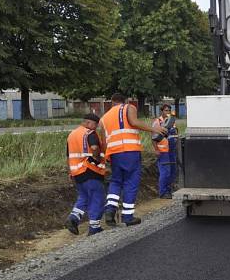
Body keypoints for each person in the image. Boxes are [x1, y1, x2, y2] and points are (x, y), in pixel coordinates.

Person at [99, 94, 167, 227]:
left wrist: (107, 157)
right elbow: (134, 122)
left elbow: (103, 140)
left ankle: (109, 210)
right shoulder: (128, 107)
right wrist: (155, 129)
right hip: (129, 150)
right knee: (131, 182)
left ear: (112, 102)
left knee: (116, 181)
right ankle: (127, 217)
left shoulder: (104, 118)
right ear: (124, 101)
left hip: (114, 153)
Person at [65, 114, 107, 236]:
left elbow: (68, 156)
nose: (95, 128)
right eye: (95, 125)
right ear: (89, 123)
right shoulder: (90, 133)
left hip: (76, 173)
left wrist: (70, 171)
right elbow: (94, 147)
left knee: (84, 197)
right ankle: (94, 227)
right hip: (90, 170)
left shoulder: (72, 135)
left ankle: (73, 218)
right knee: (97, 198)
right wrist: (97, 158)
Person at [152, 105, 173, 199]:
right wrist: (156, 150)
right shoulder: (157, 122)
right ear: (161, 111)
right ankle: (162, 192)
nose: (167, 112)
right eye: (166, 110)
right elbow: (152, 137)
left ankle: (168, 191)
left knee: (171, 172)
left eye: (169, 110)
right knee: (165, 172)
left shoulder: (171, 121)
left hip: (171, 150)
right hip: (162, 151)